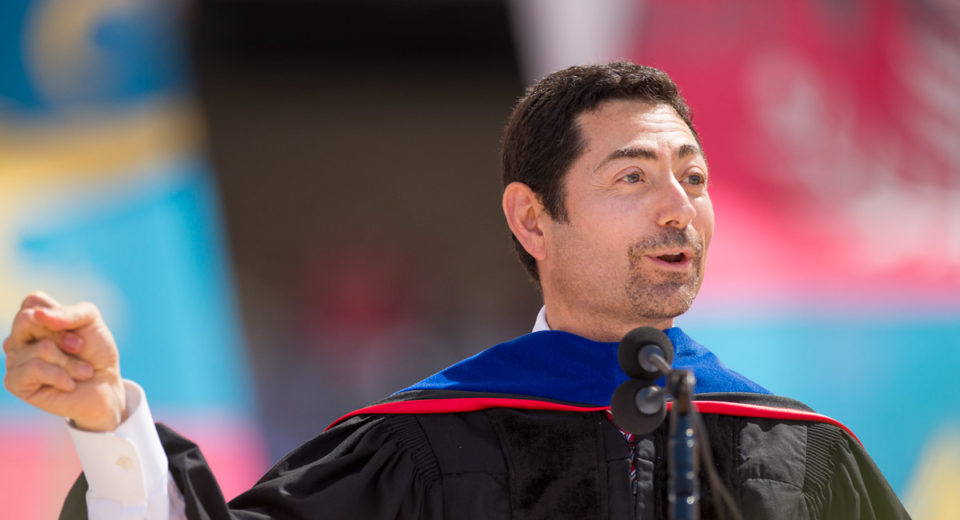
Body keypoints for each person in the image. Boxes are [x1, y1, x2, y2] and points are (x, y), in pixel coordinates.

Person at [4, 62, 909, 519]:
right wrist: (104, 418)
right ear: (530, 220)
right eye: (633, 178)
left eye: (696, 179)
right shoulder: (422, 450)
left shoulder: (804, 458)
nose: (679, 209)